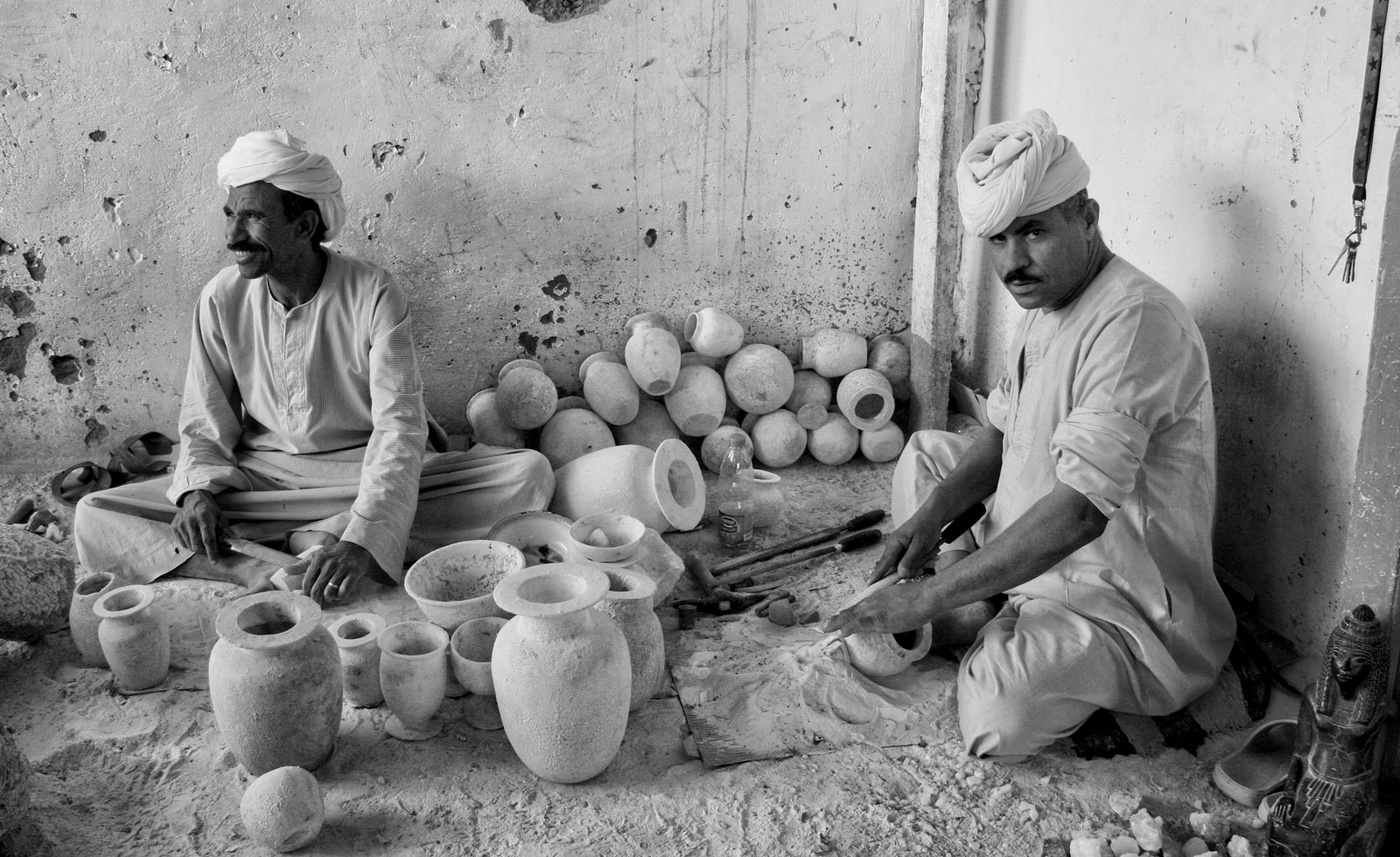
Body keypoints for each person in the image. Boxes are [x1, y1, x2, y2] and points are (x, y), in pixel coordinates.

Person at [822, 109, 1236, 761]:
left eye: (1033, 232)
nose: (1013, 262)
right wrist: (927, 523)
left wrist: (929, 595)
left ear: (1088, 217)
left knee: (995, 718)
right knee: (926, 458)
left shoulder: (1136, 323)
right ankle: (983, 597)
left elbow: (1077, 516)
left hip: (1110, 593)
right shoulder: (1046, 304)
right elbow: (996, 436)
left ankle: (979, 608)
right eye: (997, 240)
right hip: (1029, 527)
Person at [73, 130, 555, 604]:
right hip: (263, 480)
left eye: (253, 218)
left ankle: (328, 540)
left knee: (528, 475)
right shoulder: (221, 297)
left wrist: (364, 538)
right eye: (229, 216)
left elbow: (399, 429)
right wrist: (196, 491)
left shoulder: (374, 294)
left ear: (304, 226)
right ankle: (252, 567)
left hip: (360, 470)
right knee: (96, 512)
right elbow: (204, 422)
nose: (232, 236)